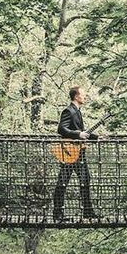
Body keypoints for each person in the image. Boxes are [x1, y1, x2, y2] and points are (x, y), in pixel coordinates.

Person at [52, 86, 101, 221]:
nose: (84, 97)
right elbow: (61, 129)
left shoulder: (77, 111)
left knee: (85, 180)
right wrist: (78, 134)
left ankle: (87, 211)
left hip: (78, 152)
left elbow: (82, 133)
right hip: (70, 153)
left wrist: (97, 138)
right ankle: (57, 214)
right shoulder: (69, 111)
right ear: (76, 96)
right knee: (62, 182)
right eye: (83, 94)